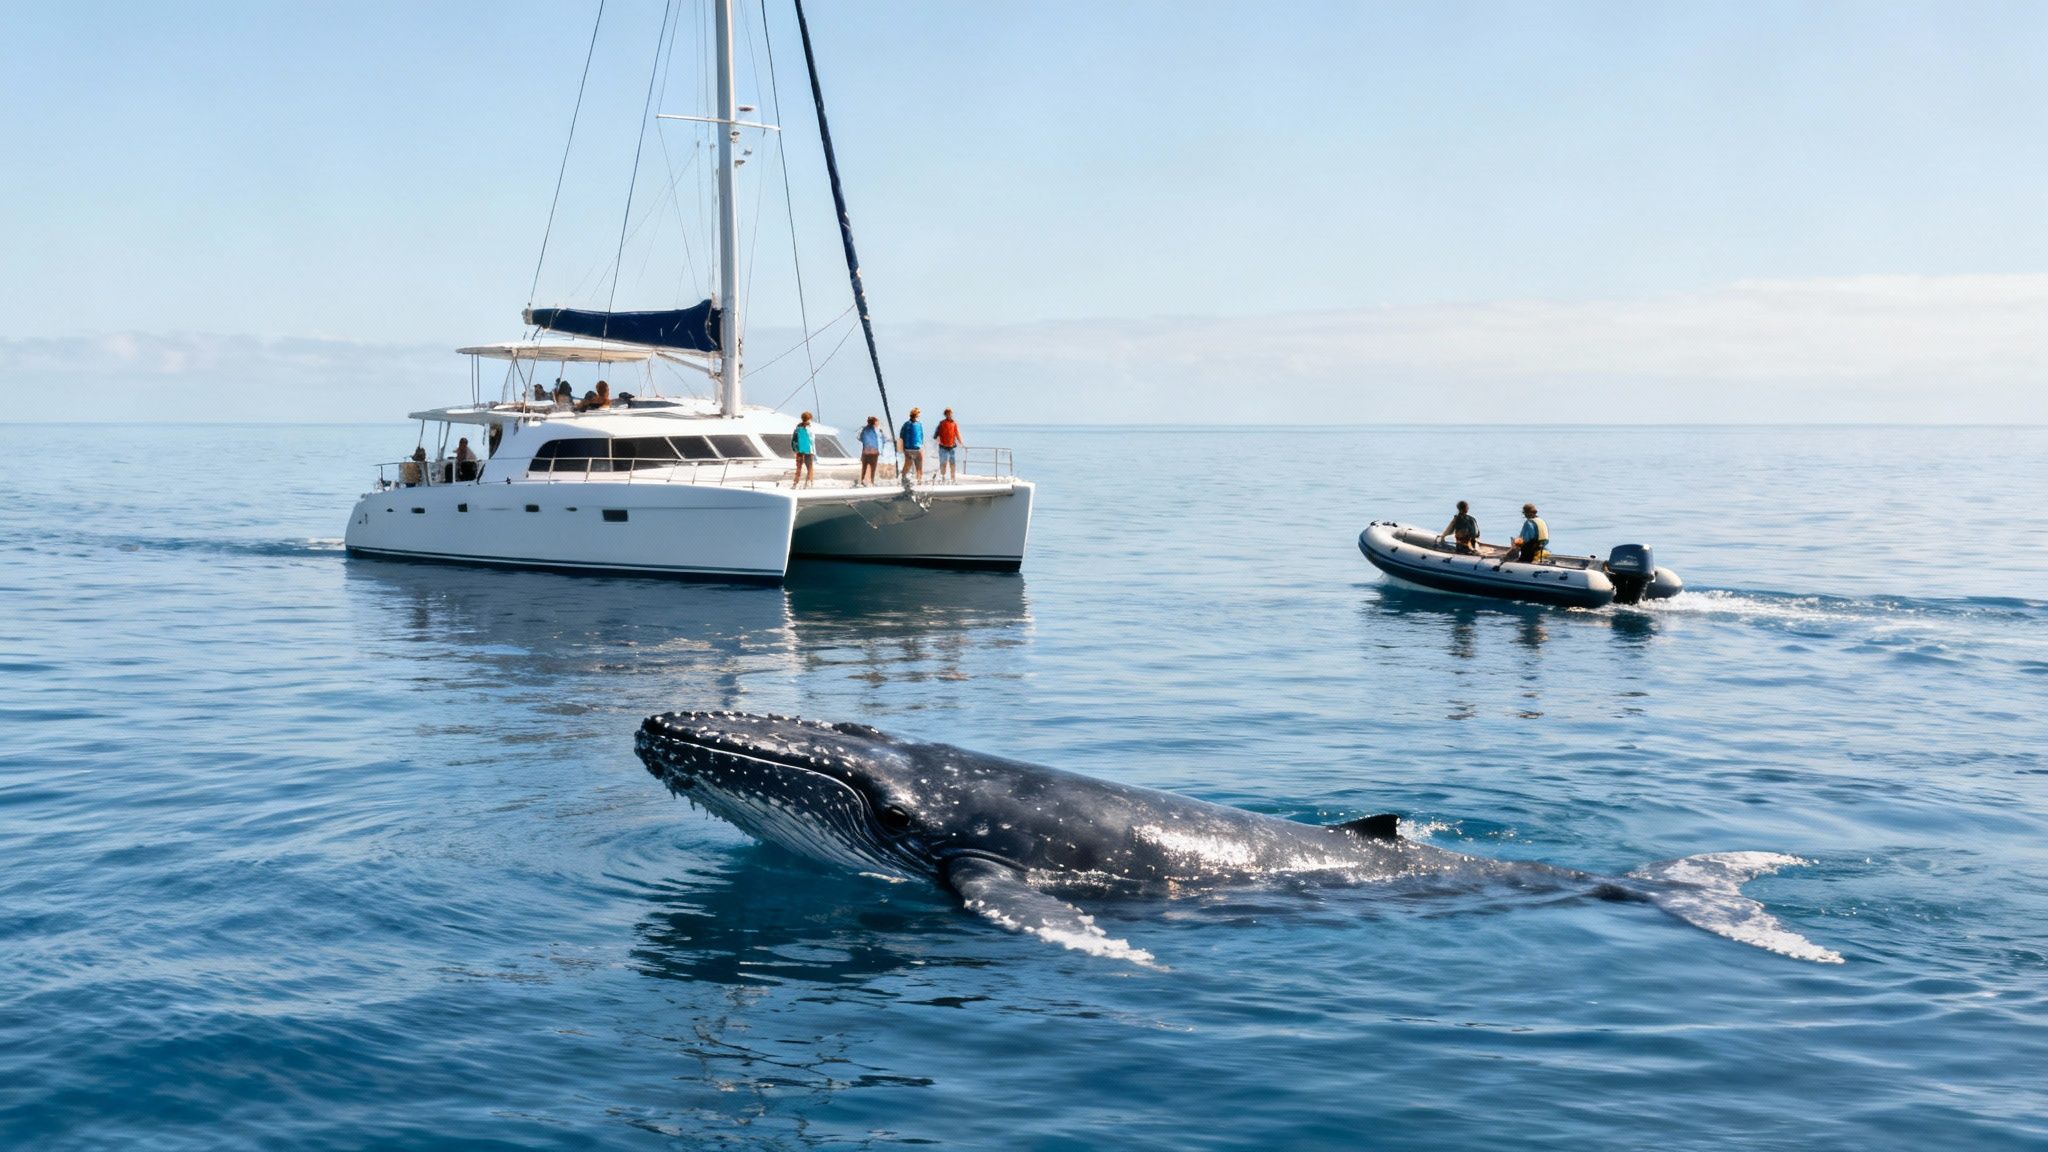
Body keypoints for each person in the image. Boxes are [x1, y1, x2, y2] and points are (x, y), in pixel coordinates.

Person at [934, 408, 963, 482]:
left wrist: (961, 442)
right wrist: (937, 439)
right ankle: (943, 477)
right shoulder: (941, 423)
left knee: (952, 464)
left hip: (951, 447)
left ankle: (953, 478)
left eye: (951, 413)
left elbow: (957, 433)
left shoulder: (954, 423)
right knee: (943, 463)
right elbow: (936, 434)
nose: (950, 415)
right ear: (946, 414)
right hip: (943, 447)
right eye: (949, 413)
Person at [898, 407, 925, 483]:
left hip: (908, 449)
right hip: (917, 448)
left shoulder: (906, 424)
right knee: (919, 467)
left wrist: (903, 449)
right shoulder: (919, 424)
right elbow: (921, 437)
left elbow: (901, 437)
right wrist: (921, 446)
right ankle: (919, 481)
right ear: (917, 415)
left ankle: (903, 479)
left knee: (907, 465)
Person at [790, 411, 816, 488]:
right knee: (809, 467)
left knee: (799, 467)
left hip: (799, 450)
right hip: (809, 450)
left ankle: (795, 483)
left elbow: (794, 439)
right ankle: (808, 483)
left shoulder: (797, 428)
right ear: (809, 419)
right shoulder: (809, 429)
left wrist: (795, 448)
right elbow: (812, 440)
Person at [856, 416, 883, 486]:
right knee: (873, 469)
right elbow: (882, 439)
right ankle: (872, 481)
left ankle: (862, 481)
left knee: (864, 468)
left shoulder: (864, 429)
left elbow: (860, 438)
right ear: (875, 422)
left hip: (865, 452)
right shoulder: (877, 430)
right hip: (874, 453)